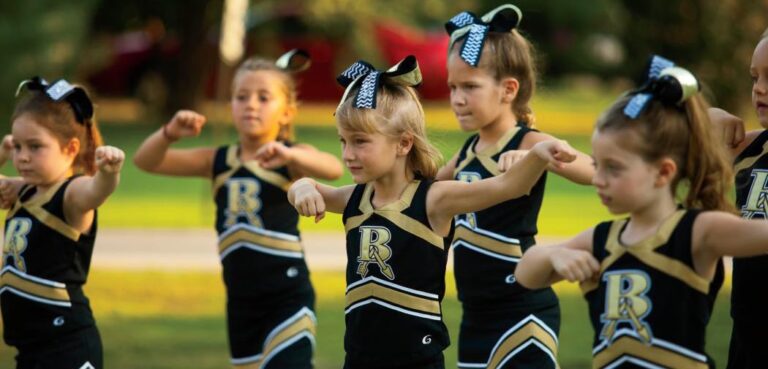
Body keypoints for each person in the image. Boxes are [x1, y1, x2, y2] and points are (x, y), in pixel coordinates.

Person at [288, 55, 578, 369]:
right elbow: (310, 190)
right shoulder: (354, 199)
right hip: (358, 360)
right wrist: (301, 186)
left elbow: (506, 187)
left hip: (417, 361)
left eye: (360, 142)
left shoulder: (433, 199)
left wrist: (538, 155)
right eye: (343, 141)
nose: (347, 154)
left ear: (403, 144)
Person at [515, 56, 768, 369]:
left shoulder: (697, 231)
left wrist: (710, 120)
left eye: (614, 168)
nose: (599, 178)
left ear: (662, 172)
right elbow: (525, 273)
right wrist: (554, 257)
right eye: (597, 164)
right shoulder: (604, 239)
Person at [133, 50, 343, 369]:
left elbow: (331, 168)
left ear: (286, 113)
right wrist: (169, 133)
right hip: (241, 302)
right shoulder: (217, 160)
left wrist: (292, 157)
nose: (251, 105)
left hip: (287, 295)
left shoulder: (290, 156)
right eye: (241, 96)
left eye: (263, 97)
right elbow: (146, 161)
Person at [438, 5, 594, 368]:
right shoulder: (464, 154)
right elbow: (419, 191)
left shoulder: (526, 142)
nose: (457, 99)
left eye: (470, 87)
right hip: (475, 315)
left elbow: (596, 171)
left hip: (522, 311)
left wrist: (541, 156)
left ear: (508, 89)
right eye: (452, 87)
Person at [2, 77, 124, 369]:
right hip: (30, 349)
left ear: (70, 149)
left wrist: (109, 172)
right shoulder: (25, 191)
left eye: (35, 147)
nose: (23, 157)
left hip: (67, 348)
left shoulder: (71, 194)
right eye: (18, 147)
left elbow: (97, 191)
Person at [707, 28, 768, 369]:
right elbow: (662, 146)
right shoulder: (751, 150)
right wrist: (707, 119)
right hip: (747, 334)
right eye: (754, 77)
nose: (759, 88)